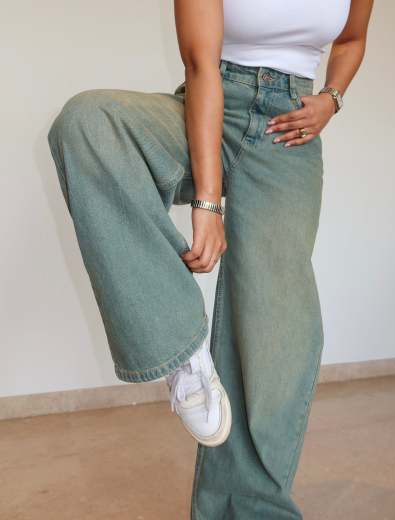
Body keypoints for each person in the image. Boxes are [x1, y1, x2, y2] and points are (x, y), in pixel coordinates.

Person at [47, 0, 374, 517]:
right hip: (212, 99)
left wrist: (331, 99)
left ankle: (249, 508)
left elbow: (351, 40)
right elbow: (200, 64)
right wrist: (207, 202)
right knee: (90, 122)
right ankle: (180, 345)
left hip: (289, 129)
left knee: (278, 329)